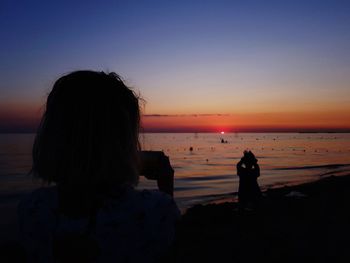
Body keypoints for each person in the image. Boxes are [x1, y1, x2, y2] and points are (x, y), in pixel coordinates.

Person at [18, 70, 180, 263]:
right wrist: (166, 185)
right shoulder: (153, 210)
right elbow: (168, 245)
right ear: (124, 141)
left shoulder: (32, 208)